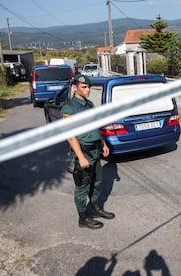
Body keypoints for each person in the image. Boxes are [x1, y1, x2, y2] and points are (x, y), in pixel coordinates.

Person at [61, 74, 115, 230]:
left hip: (95, 151)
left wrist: (103, 143)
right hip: (82, 153)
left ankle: (96, 208)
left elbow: (95, 126)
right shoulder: (69, 108)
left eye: (89, 87)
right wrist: (80, 157)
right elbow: (70, 136)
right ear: (75, 87)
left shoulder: (89, 105)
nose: (88, 90)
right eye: (84, 87)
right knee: (82, 187)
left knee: (97, 183)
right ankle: (83, 217)